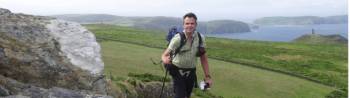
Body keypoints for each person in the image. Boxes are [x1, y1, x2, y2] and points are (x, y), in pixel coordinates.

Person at [161, 12, 212, 98]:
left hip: (191, 72)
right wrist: (165, 59)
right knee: (180, 96)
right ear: (183, 25)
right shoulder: (177, 39)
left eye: (192, 23)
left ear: (196, 25)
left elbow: (203, 58)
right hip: (177, 71)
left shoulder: (200, 38)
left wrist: (207, 76)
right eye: (187, 23)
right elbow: (164, 54)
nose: (189, 26)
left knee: (187, 95)